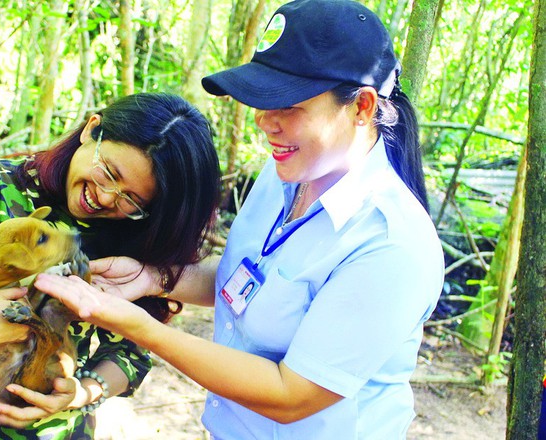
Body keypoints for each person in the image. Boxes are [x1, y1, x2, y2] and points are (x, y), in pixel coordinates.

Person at [33, 1, 445, 439]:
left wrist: (134, 323)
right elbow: (250, 282)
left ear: (361, 107)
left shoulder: (390, 244)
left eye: (288, 105)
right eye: (261, 100)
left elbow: (292, 395)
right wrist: (155, 278)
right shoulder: (286, 172)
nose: (266, 123)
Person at [0, 92, 221, 439]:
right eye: (109, 172)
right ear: (91, 129)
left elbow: (130, 353)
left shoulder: (132, 238)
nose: (106, 196)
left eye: (132, 198)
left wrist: (83, 391)